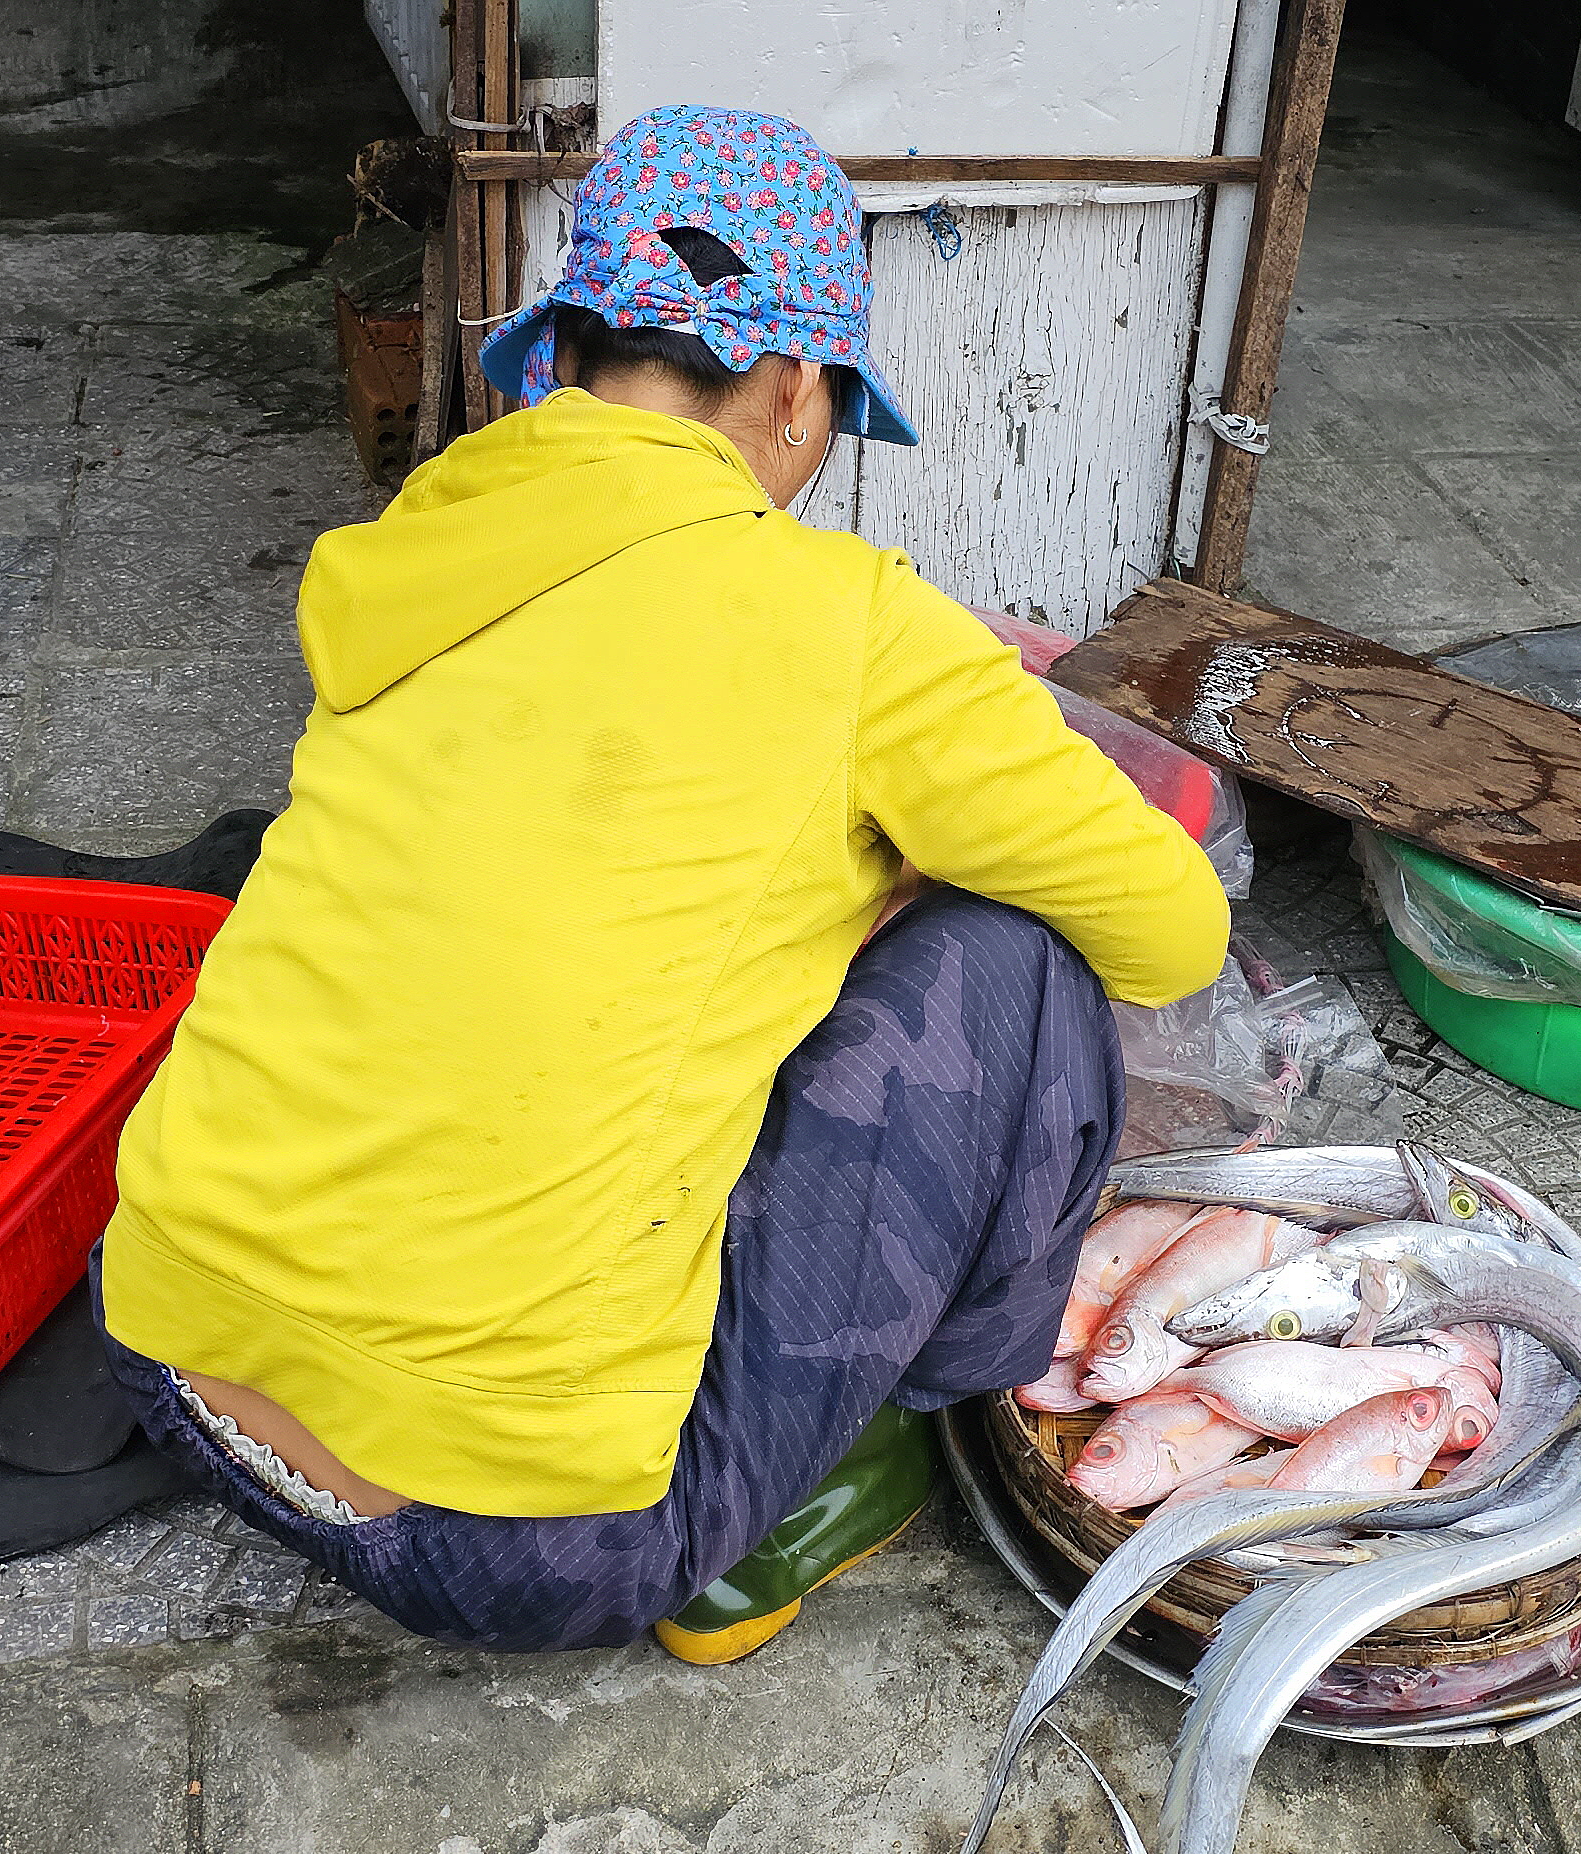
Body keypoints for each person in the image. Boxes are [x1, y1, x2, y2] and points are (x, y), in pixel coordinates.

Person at [93, 106, 1229, 1662]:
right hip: (518, 1543)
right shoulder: (847, 623)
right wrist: (895, 870)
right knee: (1014, 954)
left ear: (563, 358)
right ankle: (882, 1443)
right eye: (823, 414)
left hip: (164, 1364)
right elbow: (1172, 928)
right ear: (786, 391)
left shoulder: (423, 545)